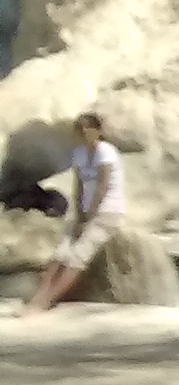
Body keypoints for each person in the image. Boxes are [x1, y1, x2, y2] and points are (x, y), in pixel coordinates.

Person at [22, 112, 126, 315]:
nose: (84, 133)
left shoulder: (106, 151)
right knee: (61, 252)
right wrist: (79, 215)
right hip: (85, 213)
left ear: (97, 131)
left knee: (78, 255)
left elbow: (102, 187)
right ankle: (39, 297)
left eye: (88, 129)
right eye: (80, 129)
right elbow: (78, 187)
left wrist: (90, 216)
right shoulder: (79, 153)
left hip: (107, 213)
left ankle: (47, 302)